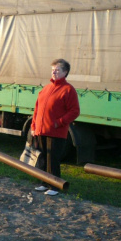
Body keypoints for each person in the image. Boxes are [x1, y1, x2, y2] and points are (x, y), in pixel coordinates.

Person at [30, 58, 80, 196]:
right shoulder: (46, 88)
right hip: (40, 130)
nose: (54, 72)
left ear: (65, 72)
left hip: (56, 132)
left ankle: (54, 186)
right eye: (53, 70)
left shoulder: (68, 90)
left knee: (53, 159)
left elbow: (74, 111)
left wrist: (59, 122)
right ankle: (44, 183)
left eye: (57, 70)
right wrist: (34, 126)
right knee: (42, 158)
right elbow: (37, 109)